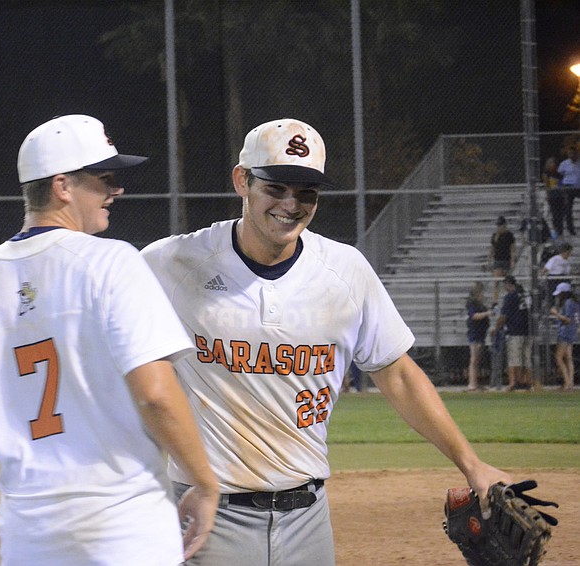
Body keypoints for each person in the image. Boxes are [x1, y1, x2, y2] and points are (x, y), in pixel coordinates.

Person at [139, 118, 512, 565]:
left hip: (309, 518)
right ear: (242, 180)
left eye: (307, 192)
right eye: (276, 187)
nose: (291, 204)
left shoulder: (345, 270)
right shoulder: (172, 263)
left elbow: (398, 375)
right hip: (209, 515)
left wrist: (472, 465)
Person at [0, 115, 218, 565]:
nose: (116, 190)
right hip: (126, 526)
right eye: (104, 179)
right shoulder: (111, 262)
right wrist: (205, 483)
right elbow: (156, 395)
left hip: (31, 536)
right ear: (62, 186)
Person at [493, 276, 531, 391]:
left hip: (515, 330)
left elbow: (504, 316)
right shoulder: (526, 296)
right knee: (527, 358)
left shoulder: (510, 297)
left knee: (514, 358)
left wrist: (496, 328)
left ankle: (513, 382)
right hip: (528, 330)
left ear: (508, 284)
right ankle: (528, 381)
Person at [550, 281, 578, 391]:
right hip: (572, 331)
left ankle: (567, 382)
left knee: (559, 357)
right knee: (568, 358)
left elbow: (567, 320)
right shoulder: (575, 302)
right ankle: (570, 382)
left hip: (566, 332)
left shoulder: (568, 303)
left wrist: (555, 313)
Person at [465, 282, 490, 391]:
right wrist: (487, 314)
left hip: (481, 334)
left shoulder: (481, 305)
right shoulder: (472, 304)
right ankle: (472, 384)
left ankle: (476, 382)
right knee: (474, 359)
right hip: (475, 334)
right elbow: (474, 316)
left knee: (477, 360)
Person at [488, 215, 516, 304]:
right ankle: (495, 300)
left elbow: (512, 249)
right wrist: (489, 260)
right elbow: (492, 249)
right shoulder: (495, 236)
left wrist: (512, 261)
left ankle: (508, 299)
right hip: (498, 260)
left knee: (507, 281)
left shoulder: (509, 235)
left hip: (506, 260)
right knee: (496, 281)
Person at [557, 146, 580, 235]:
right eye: (570, 154)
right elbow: (559, 175)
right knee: (568, 209)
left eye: (573, 153)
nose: (571, 155)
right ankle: (571, 230)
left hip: (578, 187)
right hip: (568, 188)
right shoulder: (564, 164)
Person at [542, 156, 565, 239]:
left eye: (554, 163)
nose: (553, 165)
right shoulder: (547, 174)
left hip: (559, 196)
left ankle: (560, 232)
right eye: (551, 163)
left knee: (560, 215)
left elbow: (562, 185)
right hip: (553, 196)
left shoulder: (558, 174)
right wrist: (548, 195)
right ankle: (556, 232)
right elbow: (547, 186)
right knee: (555, 215)